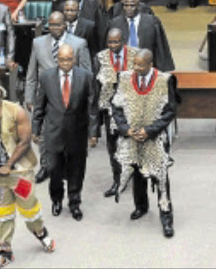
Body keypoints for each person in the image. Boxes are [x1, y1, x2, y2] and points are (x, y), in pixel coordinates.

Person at [0, 76, 55, 268]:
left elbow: (25, 142)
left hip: (21, 173)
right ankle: (4, 250)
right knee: (1, 212)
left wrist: (8, 165)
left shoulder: (16, 112)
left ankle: (40, 232)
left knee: (29, 207)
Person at [112, 49, 176, 238]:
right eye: (134, 64)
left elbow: (170, 111)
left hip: (154, 137)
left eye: (140, 65)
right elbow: (116, 107)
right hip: (132, 136)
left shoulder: (165, 80)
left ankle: (166, 216)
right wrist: (126, 129)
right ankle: (141, 206)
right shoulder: (124, 79)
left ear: (150, 64)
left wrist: (150, 130)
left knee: (161, 177)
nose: (136, 68)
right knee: (136, 172)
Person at [32, 44, 98, 221]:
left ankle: (74, 203)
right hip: (53, 133)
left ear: (74, 59)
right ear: (57, 60)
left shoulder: (85, 77)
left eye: (69, 59)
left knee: (77, 170)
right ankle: (56, 200)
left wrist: (93, 133)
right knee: (54, 170)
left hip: (77, 131)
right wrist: (35, 129)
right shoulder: (46, 77)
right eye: (62, 59)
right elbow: (40, 105)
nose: (66, 63)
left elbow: (92, 107)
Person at [25, 11, 92, 183]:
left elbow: (87, 74)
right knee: (44, 135)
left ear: (65, 25)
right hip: (45, 96)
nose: (56, 28)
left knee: (68, 135)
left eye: (59, 24)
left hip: (69, 98)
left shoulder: (78, 44)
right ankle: (46, 166)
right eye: (52, 24)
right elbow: (32, 72)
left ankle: (66, 167)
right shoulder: (37, 43)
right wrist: (29, 97)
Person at [94, 28, 140, 198]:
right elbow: (96, 84)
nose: (113, 45)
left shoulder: (136, 55)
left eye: (116, 42)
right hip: (109, 109)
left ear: (123, 41)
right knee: (112, 146)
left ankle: (136, 176)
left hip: (131, 108)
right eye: (110, 42)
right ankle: (117, 179)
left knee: (132, 142)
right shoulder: (100, 57)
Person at [108, 0, 175, 72]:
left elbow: (159, 47)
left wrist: (161, 69)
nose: (128, 8)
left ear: (138, 6)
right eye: (126, 5)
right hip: (123, 66)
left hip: (146, 64)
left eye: (132, 6)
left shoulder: (151, 22)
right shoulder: (115, 23)